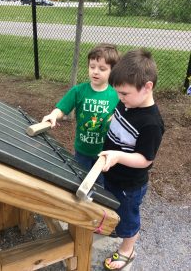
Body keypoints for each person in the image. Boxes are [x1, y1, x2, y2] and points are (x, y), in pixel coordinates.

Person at [99, 49, 165, 270]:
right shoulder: (128, 103)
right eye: (118, 93)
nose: (120, 98)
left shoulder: (151, 124)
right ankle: (114, 227)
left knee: (129, 217)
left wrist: (117, 156)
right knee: (111, 205)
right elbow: (120, 115)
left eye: (124, 93)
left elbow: (145, 159)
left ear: (147, 87)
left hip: (130, 184)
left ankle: (127, 250)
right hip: (113, 173)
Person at [42, 43, 121, 184]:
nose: (95, 72)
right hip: (82, 151)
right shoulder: (79, 91)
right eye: (92, 67)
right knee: (79, 182)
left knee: (101, 188)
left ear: (112, 71)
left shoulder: (116, 95)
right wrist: (53, 115)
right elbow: (62, 108)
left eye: (102, 69)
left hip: (104, 153)